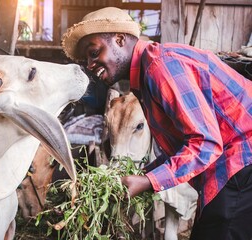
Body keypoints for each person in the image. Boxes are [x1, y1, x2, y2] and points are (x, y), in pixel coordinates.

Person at [61, 7, 252, 240]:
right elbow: (187, 144)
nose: (90, 65)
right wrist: (144, 174)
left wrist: (148, 181)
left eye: (94, 52)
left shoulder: (161, 65)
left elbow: (206, 143)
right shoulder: (145, 80)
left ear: (120, 40)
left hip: (243, 159)